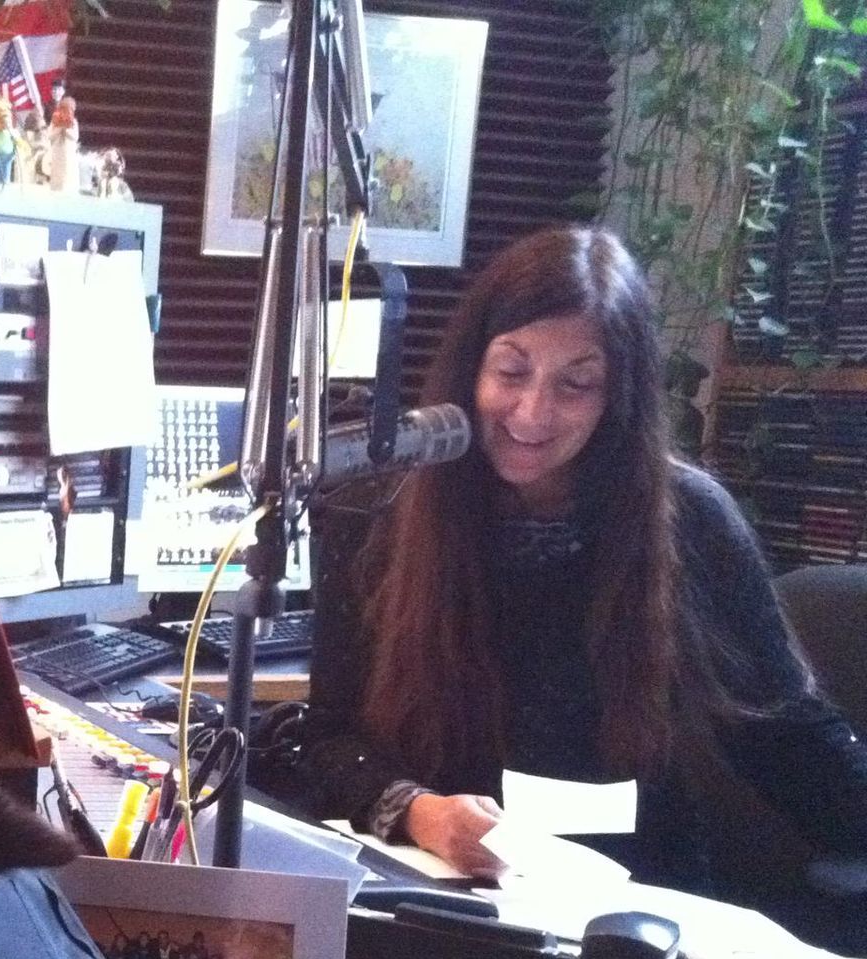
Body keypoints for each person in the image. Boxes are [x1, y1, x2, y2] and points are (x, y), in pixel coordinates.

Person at [295, 225, 867, 899]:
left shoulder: (688, 518)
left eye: (577, 384)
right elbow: (323, 739)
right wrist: (420, 812)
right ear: (471, 368)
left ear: (616, 396)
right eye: (512, 372)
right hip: (433, 884)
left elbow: (787, 736)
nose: (533, 411)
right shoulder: (381, 506)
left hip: (630, 896)